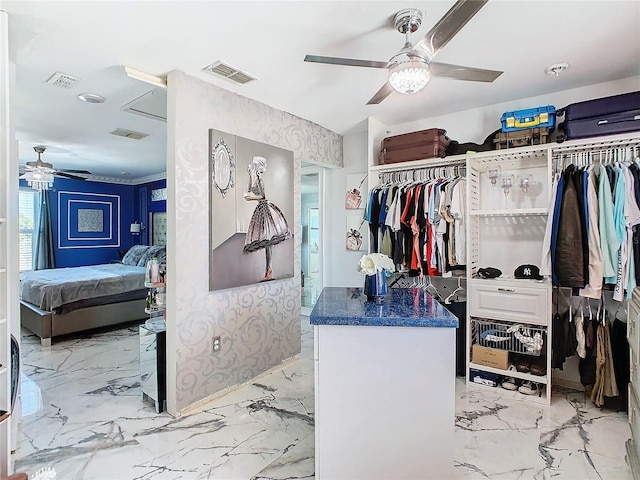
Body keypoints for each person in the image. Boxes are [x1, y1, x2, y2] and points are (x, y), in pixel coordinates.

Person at [243, 156, 292, 281]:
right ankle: (268, 270)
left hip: (264, 207)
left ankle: (268, 270)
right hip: (260, 208)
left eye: (254, 165)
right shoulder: (255, 179)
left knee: (267, 239)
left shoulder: (259, 179)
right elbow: (249, 190)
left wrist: (251, 199)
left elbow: (263, 196)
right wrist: (249, 175)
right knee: (266, 241)